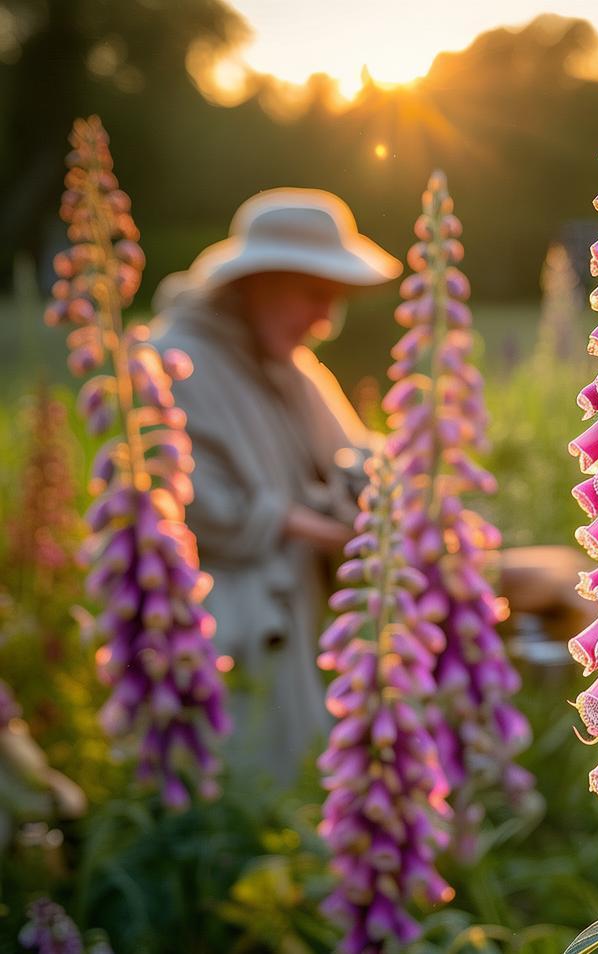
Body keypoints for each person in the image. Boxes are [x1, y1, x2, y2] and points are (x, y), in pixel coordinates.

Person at [153, 188, 401, 786]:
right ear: (259, 281)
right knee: (242, 789)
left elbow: (355, 454)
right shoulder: (174, 359)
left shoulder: (295, 367)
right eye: (315, 295)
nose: (324, 319)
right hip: (225, 624)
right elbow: (187, 503)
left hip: (309, 608)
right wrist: (318, 528)